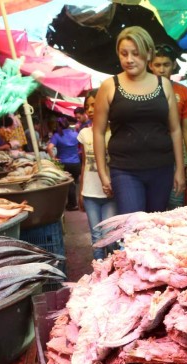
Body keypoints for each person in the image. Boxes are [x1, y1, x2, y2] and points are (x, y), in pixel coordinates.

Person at [93, 26, 185, 215]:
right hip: (125, 171)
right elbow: (98, 132)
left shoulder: (164, 85)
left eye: (136, 53)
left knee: (155, 226)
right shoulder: (109, 86)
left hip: (162, 169)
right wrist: (103, 173)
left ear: (148, 53)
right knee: (133, 227)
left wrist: (180, 169)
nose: (129, 59)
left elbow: (175, 130)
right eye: (123, 53)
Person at [149, 44, 187, 209]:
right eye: (157, 65)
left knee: (175, 207)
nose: (162, 69)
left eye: (166, 64)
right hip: (149, 159)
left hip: (175, 159)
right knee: (152, 210)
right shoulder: (142, 90)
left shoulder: (182, 91)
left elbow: (186, 128)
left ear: (174, 65)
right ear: (150, 66)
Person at [77, 89, 118, 260]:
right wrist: (80, 191)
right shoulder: (84, 133)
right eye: (87, 107)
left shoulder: (115, 132)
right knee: (96, 239)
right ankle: (99, 275)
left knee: (110, 238)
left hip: (111, 193)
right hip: (90, 193)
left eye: (94, 105)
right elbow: (85, 163)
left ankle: (114, 271)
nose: (91, 110)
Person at [47, 117, 81, 211]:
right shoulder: (75, 134)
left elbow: (49, 148)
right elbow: (82, 144)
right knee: (73, 183)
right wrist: (78, 151)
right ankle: (72, 203)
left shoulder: (57, 135)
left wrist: (54, 158)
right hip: (76, 163)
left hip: (64, 163)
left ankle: (72, 204)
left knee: (69, 184)